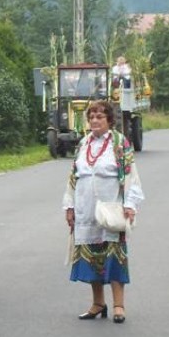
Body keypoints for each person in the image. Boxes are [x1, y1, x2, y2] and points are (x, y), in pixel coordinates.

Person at [62, 100, 143, 324]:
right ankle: (98, 303)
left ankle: (118, 305)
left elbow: (130, 175)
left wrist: (130, 204)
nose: (95, 121)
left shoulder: (119, 143)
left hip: (111, 209)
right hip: (85, 208)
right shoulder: (83, 144)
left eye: (100, 117)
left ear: (109, 119)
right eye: (92, 117)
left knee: (114, 255)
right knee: (91, 256)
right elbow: (73, 177)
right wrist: (69, 206)